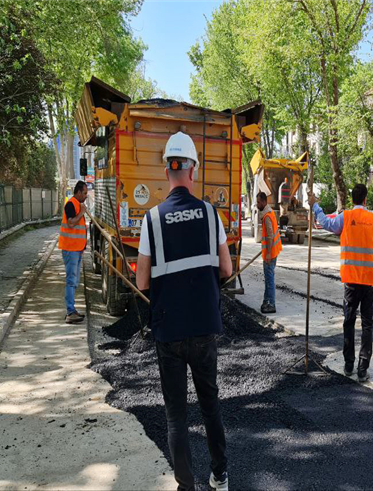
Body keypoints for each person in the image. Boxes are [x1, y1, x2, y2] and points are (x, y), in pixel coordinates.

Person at [135, 131, 232, 491]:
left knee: (176, 414)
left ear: (166, 172)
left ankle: (185, 485)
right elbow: (226, 269)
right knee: (210, 405)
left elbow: (142, 281)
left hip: (168, 330)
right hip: (204, 327)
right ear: (193, 170)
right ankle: (220, 477)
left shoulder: (152, 220)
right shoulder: (210, 215)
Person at [308, 184, 373, 382]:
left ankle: (348, 364)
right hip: (369, 281)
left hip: (351, 280)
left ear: (353, 199)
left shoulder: (345, 217)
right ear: (365, 200)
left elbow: (324, 223)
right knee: (367, 324)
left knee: (348, 321)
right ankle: (363, 368)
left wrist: (315, 206)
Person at [60, 180, 88, 324]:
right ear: (77, 192)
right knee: (71, 281)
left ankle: (72, 310)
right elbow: (71, 223)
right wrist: (82, 213)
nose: (86, 196)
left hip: (76, 250)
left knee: (75, 281)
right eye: (84, 193)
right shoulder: (71, 204)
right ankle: (70, 312)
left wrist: (82, 247)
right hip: (70, 249)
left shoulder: (78, 204)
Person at [255, 191, 282, 314]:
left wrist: (269, 254)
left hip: (270, 253)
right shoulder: (270, 213)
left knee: (269, 279)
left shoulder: (267, 216)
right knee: (268, 278)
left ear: (264, 202)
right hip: (271, 252)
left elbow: (270, 236)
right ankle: (267, 301)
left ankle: (271, 303)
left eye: (259, 202)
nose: (257, 204)